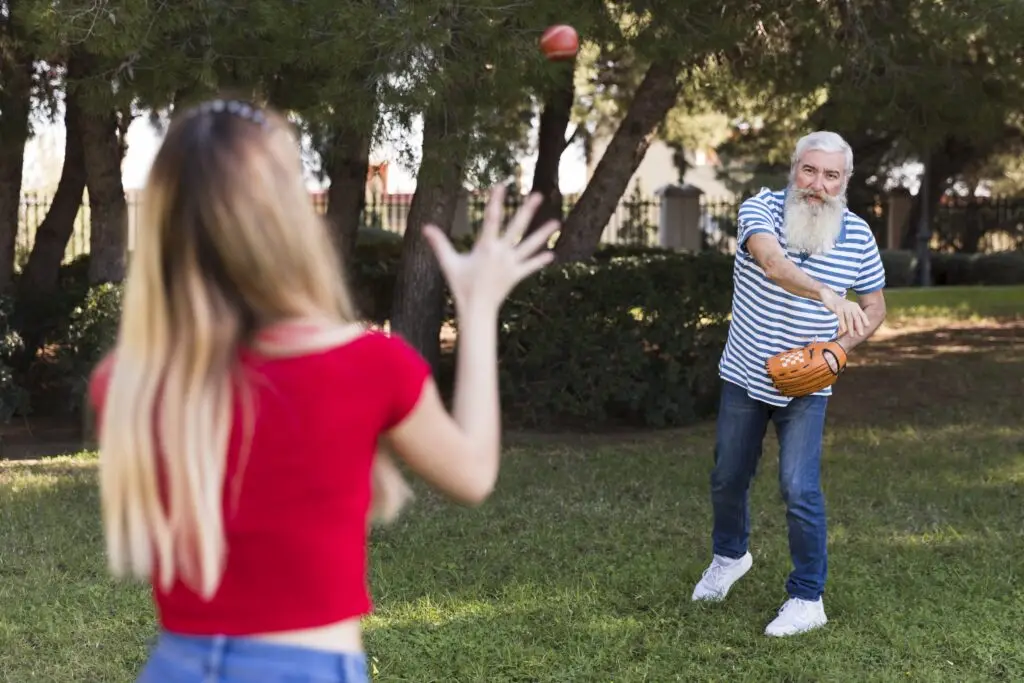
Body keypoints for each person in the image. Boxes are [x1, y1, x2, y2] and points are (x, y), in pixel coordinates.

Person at [86, 97, 559, 682]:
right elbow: (473, 474)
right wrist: (479, 307)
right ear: (286, 220)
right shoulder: (370, 367)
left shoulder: (129, 386)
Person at [690, 131, 887, 637]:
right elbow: (774, 265)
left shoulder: (858, 234)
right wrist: (826, 294)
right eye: (809, 171)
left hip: (808, 384)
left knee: (799, 487)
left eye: (831, 175)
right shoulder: (761, 209)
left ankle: (807, 598)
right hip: (745, 374)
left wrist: (838, 352)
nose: (817, 185)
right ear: (794, 168)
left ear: (844, 181)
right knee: (728, 477)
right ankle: (730, 556)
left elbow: (875, 307)